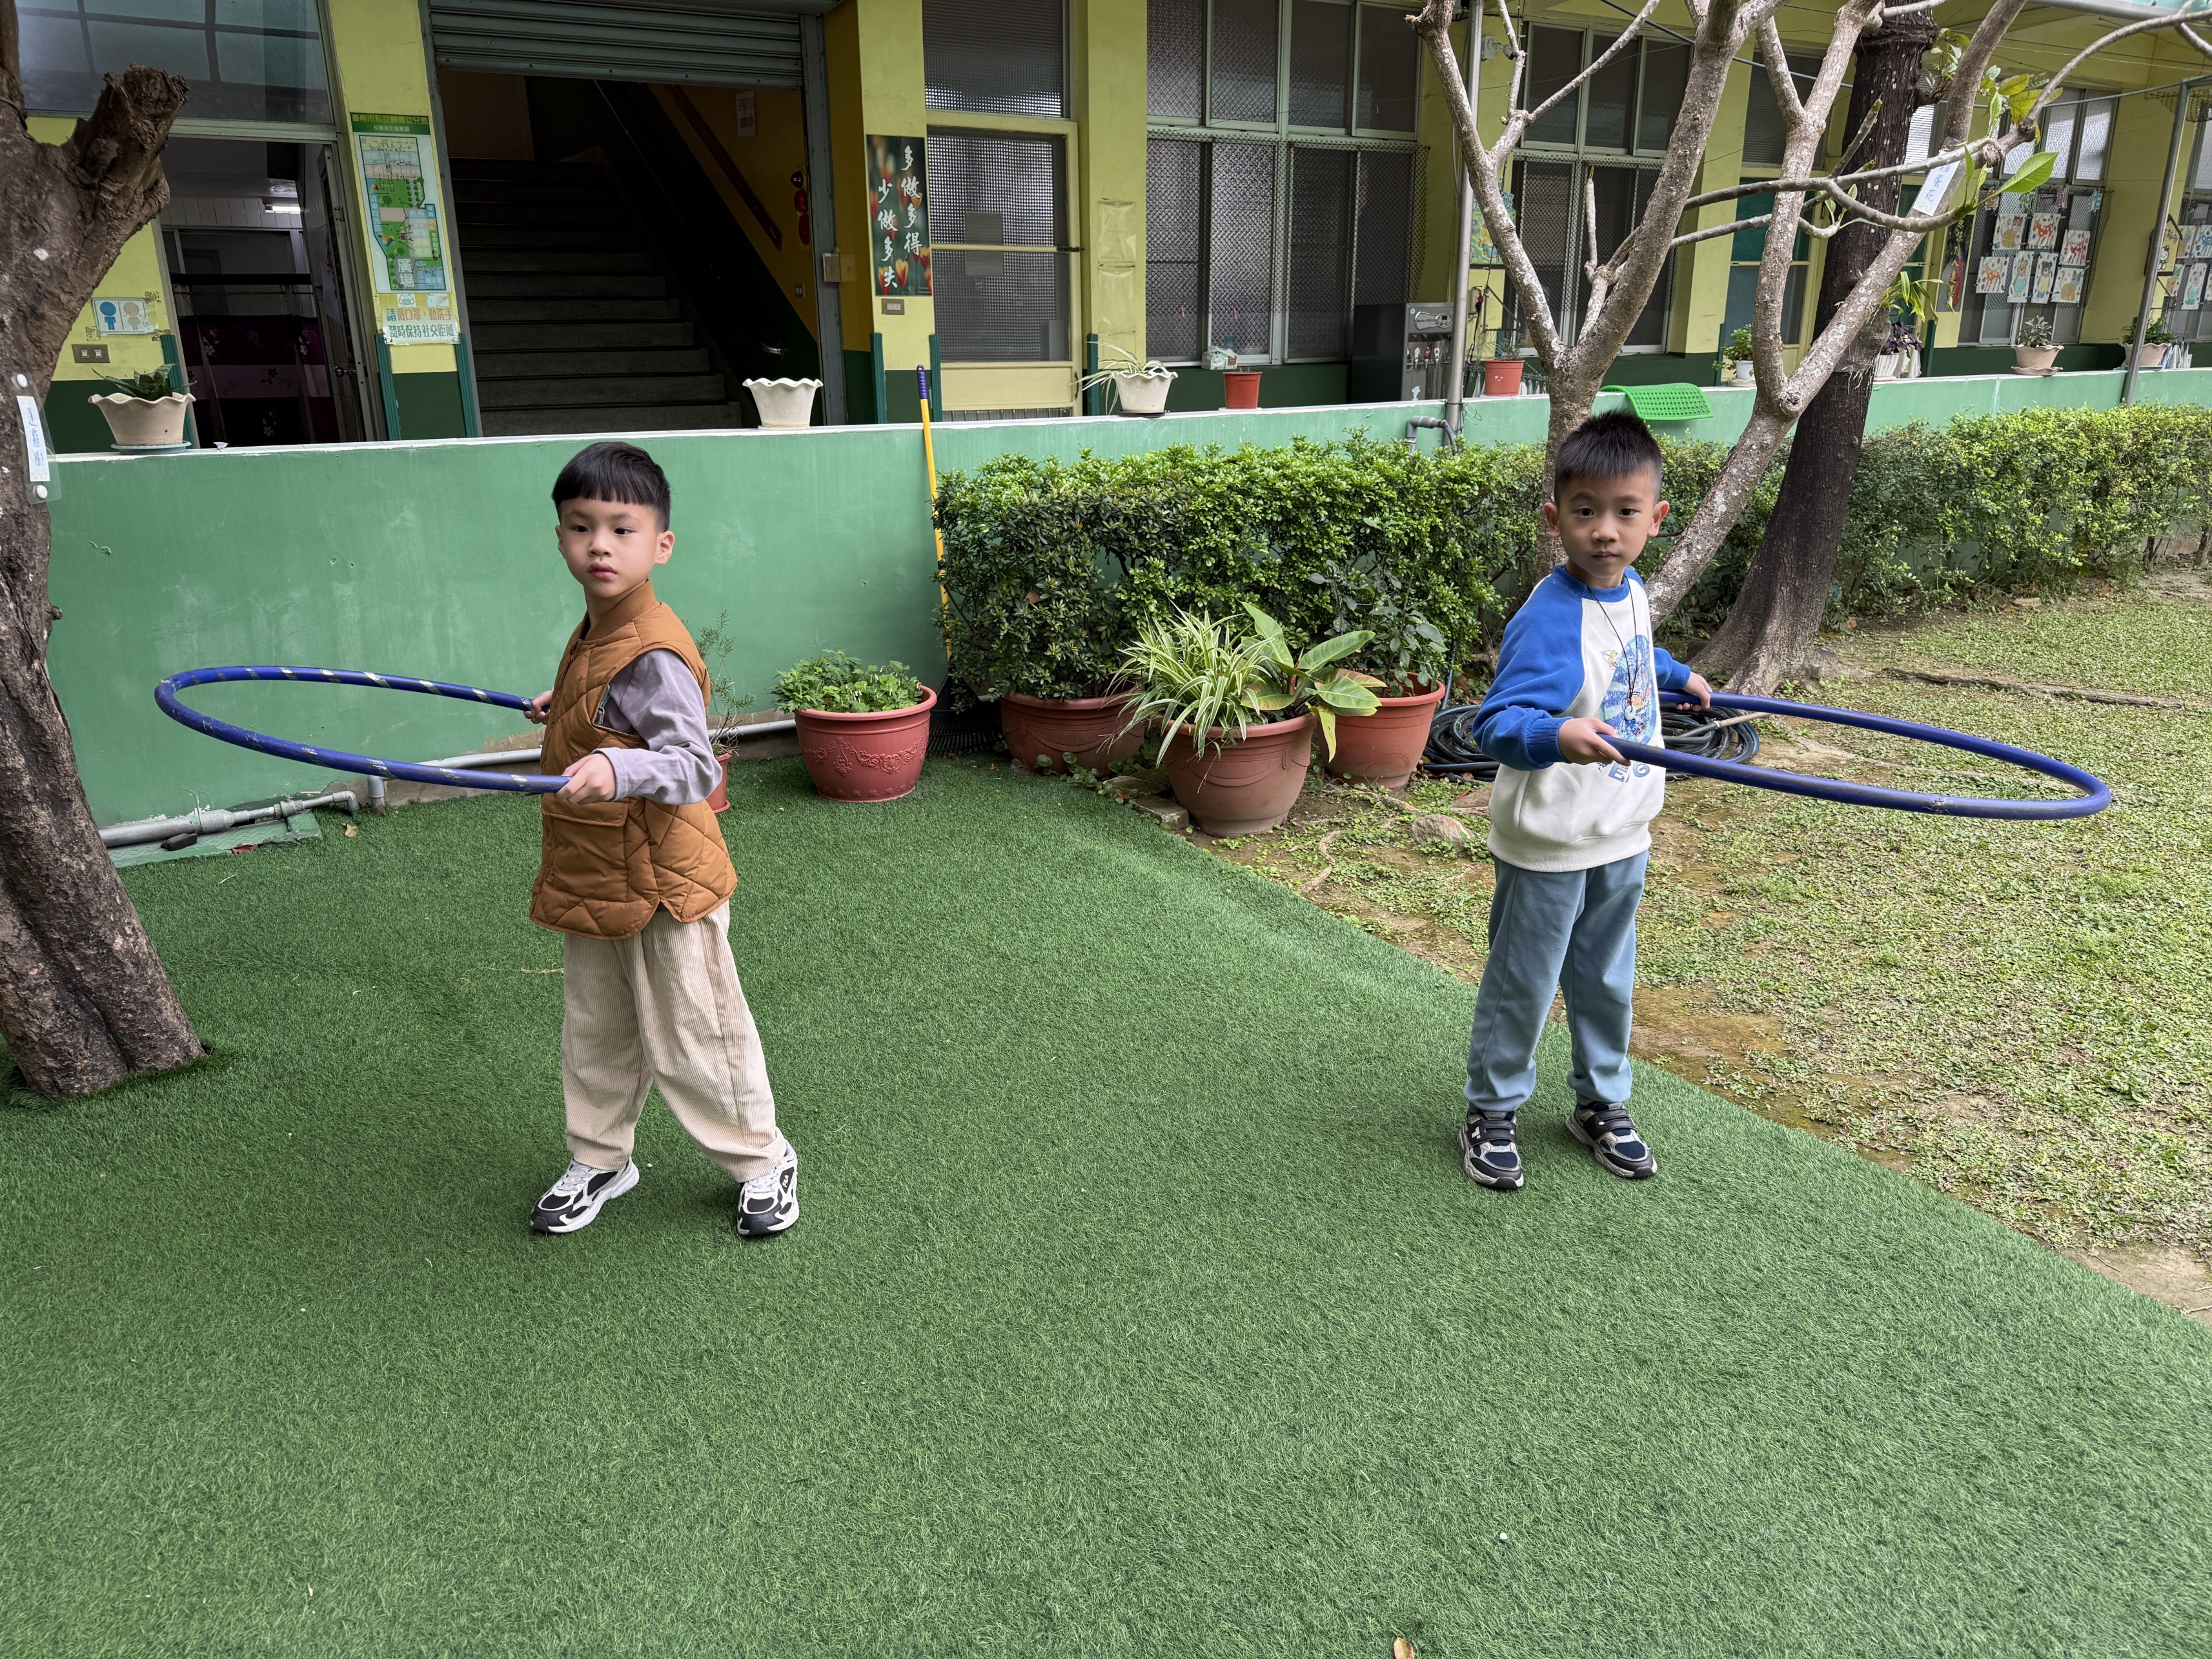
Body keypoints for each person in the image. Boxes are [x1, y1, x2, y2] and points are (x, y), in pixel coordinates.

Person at [522, 441, 798, 1238]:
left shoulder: (650, 646)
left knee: (695, 1032)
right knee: (596, 1029)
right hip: (595, 870)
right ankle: (601, 1157)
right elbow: (616, 706)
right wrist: (574, 708)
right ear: (560, 538)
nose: (600, 545)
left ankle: (762, 1158)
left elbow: (692, 763)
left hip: (663, 882)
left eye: (622, 528)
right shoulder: (600, 628)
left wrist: (616, 765)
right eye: (581, 527)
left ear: (661, 544)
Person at [1458, 410, 1712, 1192]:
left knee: (1606, 979)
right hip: (1550, 840)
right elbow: (1495, 722)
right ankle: (1491, 1107)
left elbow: (1628, 652)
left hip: (1622, 831)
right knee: (1524, 983)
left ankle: (1600, 1101)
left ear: (1654, 519)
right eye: (1585, 511)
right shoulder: (1547, 615)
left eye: (1624, 512)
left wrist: (1675, 674)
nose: (1605, 530)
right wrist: (1556, 733)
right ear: (1554, 517)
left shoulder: (1630, 589)